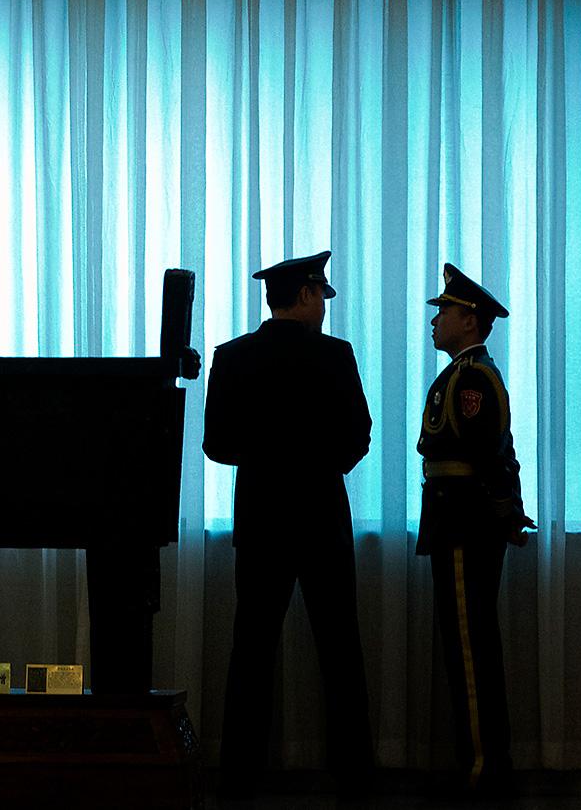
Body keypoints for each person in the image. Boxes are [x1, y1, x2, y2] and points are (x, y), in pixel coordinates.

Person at [203, 250, 375, 799]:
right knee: (340, 649)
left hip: (261, 518)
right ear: (304, 295)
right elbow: (359, 434)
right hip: (322, 516)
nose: (323, 307)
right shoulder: (336, 355)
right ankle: (353, 775)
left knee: (250, 649)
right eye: (320, 296)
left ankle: (238, 776)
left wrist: (266, 459)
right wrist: (320, 464)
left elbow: (216, 445)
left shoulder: (231, 357)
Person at [416, 263, 535, 797]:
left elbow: (492, 454)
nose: (435, 321)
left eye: (444, 311)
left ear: (470, 320)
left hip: (464, 524)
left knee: (470, 646)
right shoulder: (459, 374)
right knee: (467, 643)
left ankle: (485, 767)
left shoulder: (473, 379)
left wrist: (503, 510)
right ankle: (480, 760)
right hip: (455, 520)